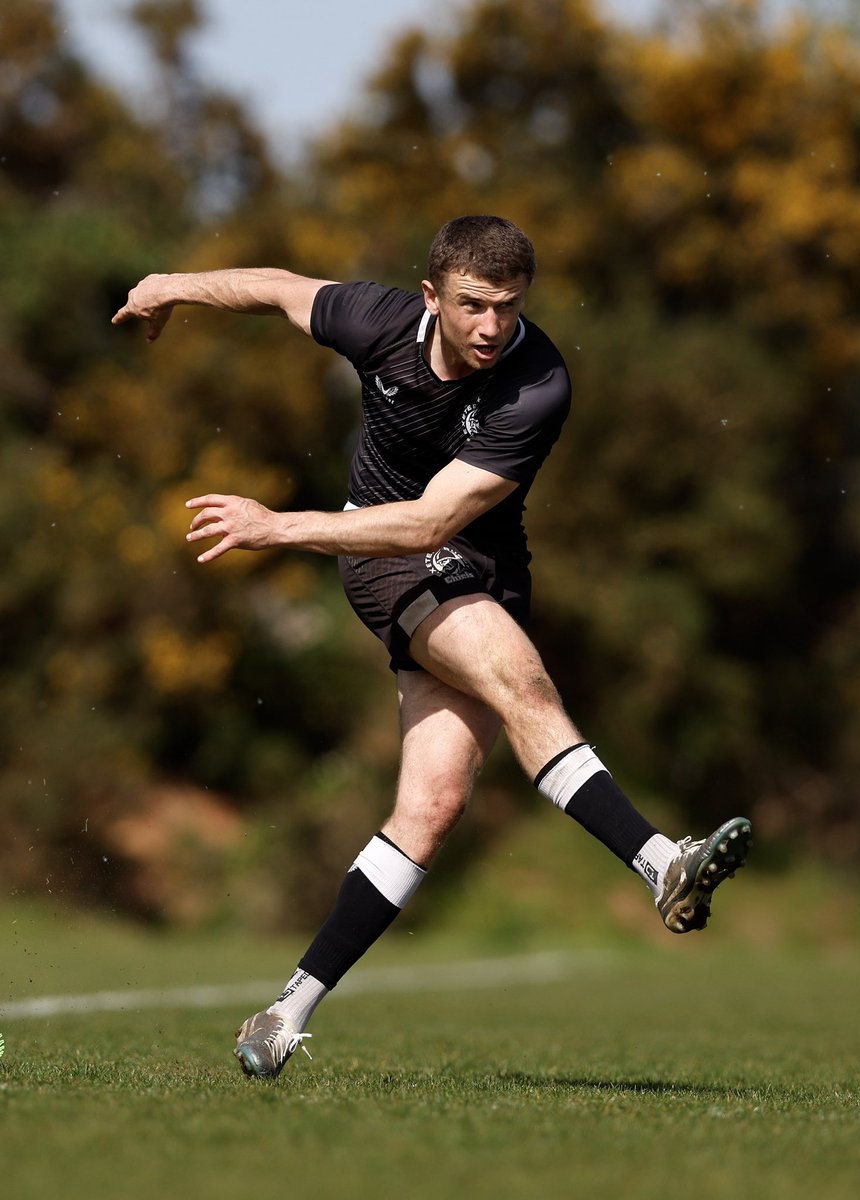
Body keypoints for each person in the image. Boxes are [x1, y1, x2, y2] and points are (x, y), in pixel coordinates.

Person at [113, 215, 752, 1080]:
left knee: (433, 806)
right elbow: (277, 288)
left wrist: (274, 525)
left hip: (477, 561)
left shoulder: (539, 382)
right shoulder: (377, 322)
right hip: (385, 565)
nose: (492, 326)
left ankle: (282, 1012)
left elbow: (438, 518)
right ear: (432, 297)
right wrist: (171, 287)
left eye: (510, 307)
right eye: (474, 305)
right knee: (526, 687)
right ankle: (659, 861)